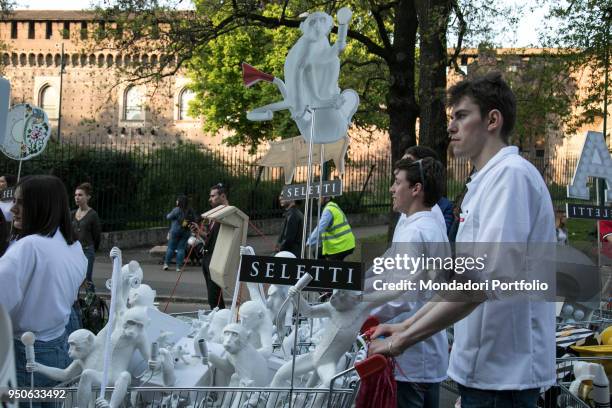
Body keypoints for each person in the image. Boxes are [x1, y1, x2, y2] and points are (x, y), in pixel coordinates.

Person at [369, 72, 556, 407]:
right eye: (451, 117)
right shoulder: (484, 183)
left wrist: (404, 339)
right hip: (486, 373)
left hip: (504, 379)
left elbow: (483, 281)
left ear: (492, 120)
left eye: (461, 115)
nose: (451, 127)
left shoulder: (510, 176)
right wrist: (406, 326)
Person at [369, 157, 450, 408]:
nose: (392, 189)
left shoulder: (415, 232)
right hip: (426, 354)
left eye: (397, 182)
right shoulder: (427, 225)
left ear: (416, 189)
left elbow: (402, 295)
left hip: (410, 358)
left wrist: (362, 311)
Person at [0, 175, 87, 389]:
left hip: (25, 356)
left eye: (21, 203)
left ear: (40, 206)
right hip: (59, 347)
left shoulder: (28, 247)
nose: (13, 209)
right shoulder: (72, 245)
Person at [192, 183, 229, 309]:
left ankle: (220, 319)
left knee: (214, 296)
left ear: (222, 196)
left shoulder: (228, 215)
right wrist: (199, 232)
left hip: (217, 259)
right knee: (212, 297)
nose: (210, 199)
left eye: (213, 196)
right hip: (208, 258)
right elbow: (210, 237)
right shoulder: (216, 214)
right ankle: (218, 318)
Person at [401, 146, 453, 233]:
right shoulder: (407, 204)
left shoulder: (443, 207)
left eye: (407, 166)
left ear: (425, 169)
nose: (400, 170)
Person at [72, 182, 102, 291]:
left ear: (88, 197)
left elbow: (97, 235)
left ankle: (92, 304)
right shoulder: (72, 214)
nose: (77, 197)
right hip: (74, 251)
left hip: (87, 250)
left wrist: (93, 249)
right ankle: (74, 302)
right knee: (73, 278)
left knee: (87, 278)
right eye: (76, 195)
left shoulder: (93, 215)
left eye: (80, 195)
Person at [306, 196, 355, 260]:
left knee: (332, 266)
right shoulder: (333, 206)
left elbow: (320, 228)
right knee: (317, 253)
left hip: (341, 245)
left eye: (320, 196)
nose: (317, 198)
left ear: (327, 198)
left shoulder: (328, 210)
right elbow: (323, 232)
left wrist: (308, 242)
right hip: (344, 243)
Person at [163, 195, 194, 272]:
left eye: (177, 200)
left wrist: (168, 215)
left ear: (180, 202)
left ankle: (166, 264)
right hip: (186, 232)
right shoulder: (190, 210)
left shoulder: (176, 210)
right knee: (181, 249)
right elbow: (193, 219)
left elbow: (168, 217)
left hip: (175, 231)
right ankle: (178, 267)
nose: (176, 201)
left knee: (171, 248)